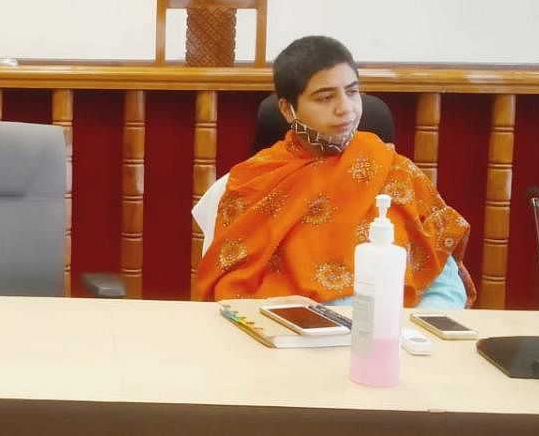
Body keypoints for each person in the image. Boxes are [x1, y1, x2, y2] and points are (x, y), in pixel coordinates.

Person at [193, 36, 475, 308]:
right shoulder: (251, 183)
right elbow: (227, 295)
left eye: (352, 92)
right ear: (289, 111)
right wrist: (276, 311)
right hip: (288, 340)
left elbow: (446, 288)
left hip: (389, 342)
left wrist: (403, 334)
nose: (346, 109)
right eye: (325, 98)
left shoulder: (397, 172)